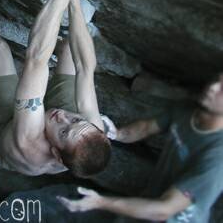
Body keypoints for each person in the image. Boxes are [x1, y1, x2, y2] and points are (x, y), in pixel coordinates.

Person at [0, 0, 113, 177]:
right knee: (72, 48)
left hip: (9, 131)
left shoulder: (28, 142)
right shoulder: (89, 131)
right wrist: (74, 0)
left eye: (64, 131)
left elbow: (36, 58)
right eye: (75, 119)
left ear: (57, 155)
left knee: (0, 47)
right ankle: (57, 47)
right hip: (48, 129)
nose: (63, 116)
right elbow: (85, 68)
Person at [58, 72, 223, 222]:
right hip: (148, 202)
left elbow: (165, 209)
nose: (213, 87)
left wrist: (99, 202)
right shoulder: (188, 110)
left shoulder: (217, 157)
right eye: (216, 80)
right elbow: (146, 127)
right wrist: (116, 134)